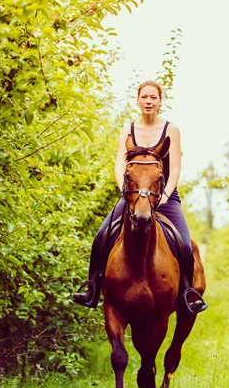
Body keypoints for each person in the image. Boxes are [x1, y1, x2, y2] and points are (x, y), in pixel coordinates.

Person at [73, 80, 207, 315]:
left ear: (160, 101)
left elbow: (174, 169)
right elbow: (119, 164)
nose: (148, 101)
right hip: (133, 195)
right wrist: (124, 191)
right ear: (137, 100)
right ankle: (92, 288)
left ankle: (187, 293)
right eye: (144, 97)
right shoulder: (128, 129)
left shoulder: (171, 130)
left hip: (164, 197)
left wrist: (165, 196)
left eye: (153, 97)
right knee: (101, 236)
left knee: (185, 244)